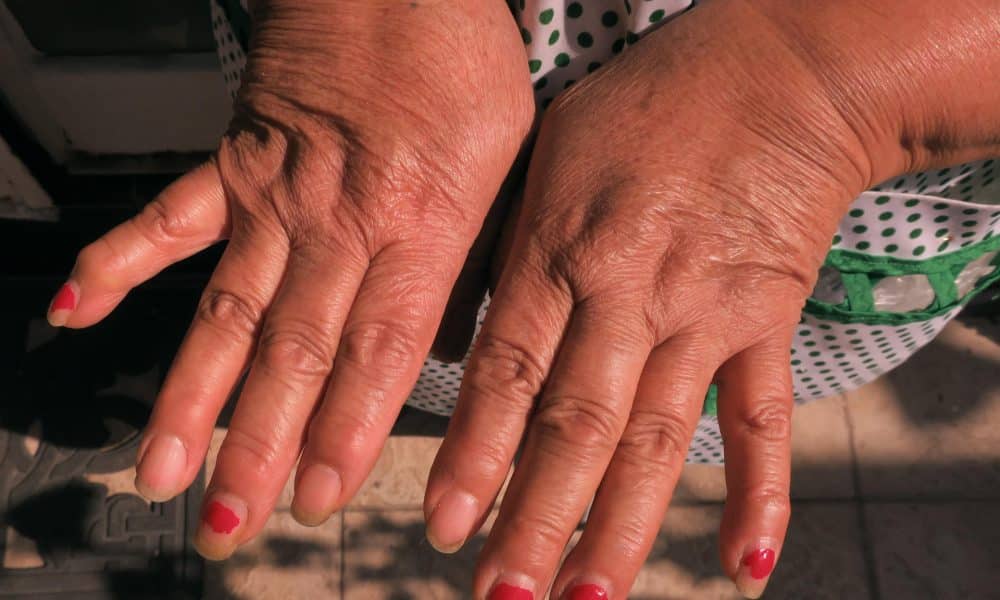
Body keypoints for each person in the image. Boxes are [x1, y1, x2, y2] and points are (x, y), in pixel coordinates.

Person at [43, 1, 1000, 598]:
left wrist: (820, 89)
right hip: (365, 109)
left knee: (662, 407)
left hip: (838, 170)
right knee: (419, 353)